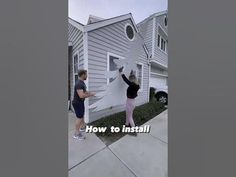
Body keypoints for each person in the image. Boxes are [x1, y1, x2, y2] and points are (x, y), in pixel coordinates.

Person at [72, 69, 95, 140]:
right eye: (86, 74)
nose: (87, 75)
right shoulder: (79, 84)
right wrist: (90, 95)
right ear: (82, 75)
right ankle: (76, 134)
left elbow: (84, 91)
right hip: (77, 103)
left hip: (80, 102)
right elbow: (81, 95)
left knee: (81, 116)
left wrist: (90, 92)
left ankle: (83, 127)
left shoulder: (82, 83)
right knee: (79, 118)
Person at [119, 67, 140, 135]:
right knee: (128, 114)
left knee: (130, 116)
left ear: (132, 80)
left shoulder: (132, 85)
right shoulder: (137, 85)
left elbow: (125, 80)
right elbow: (129, 80)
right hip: (132, 102)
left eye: (130, 79)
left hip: (130, 102)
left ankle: (134, 131)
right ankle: (126, 125)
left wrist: (121, 72)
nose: (129, 80)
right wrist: (131, 73)